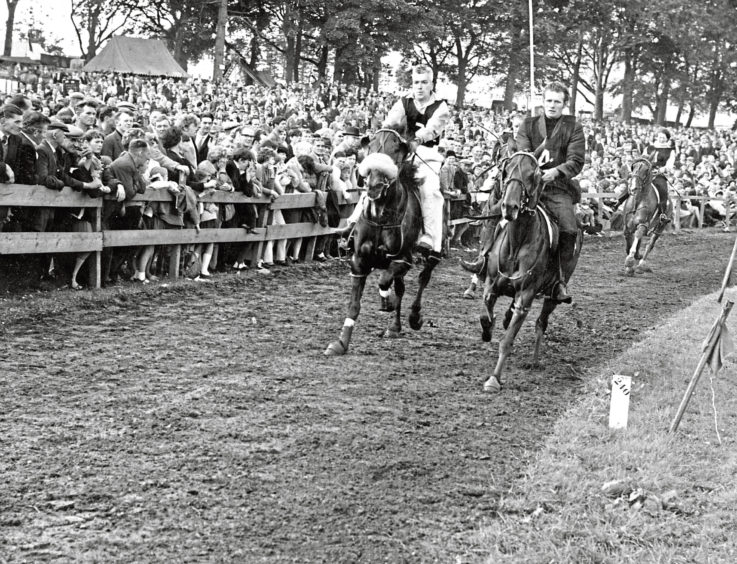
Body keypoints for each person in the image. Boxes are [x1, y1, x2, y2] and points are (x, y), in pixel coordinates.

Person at [516, 81, 585, 303]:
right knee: (498, 210)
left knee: (569, 229)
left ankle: (558, 281)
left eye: (557, 101)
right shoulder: (528, 124)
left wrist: (556, 172)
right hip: (528, 185)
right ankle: (483, 259)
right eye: (549, 100)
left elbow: (576, 161)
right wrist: (532, 170)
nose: (552, 105)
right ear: (542, 101)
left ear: (564, 104)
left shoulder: (574, 127)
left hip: (556, 188)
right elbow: (522, 152)